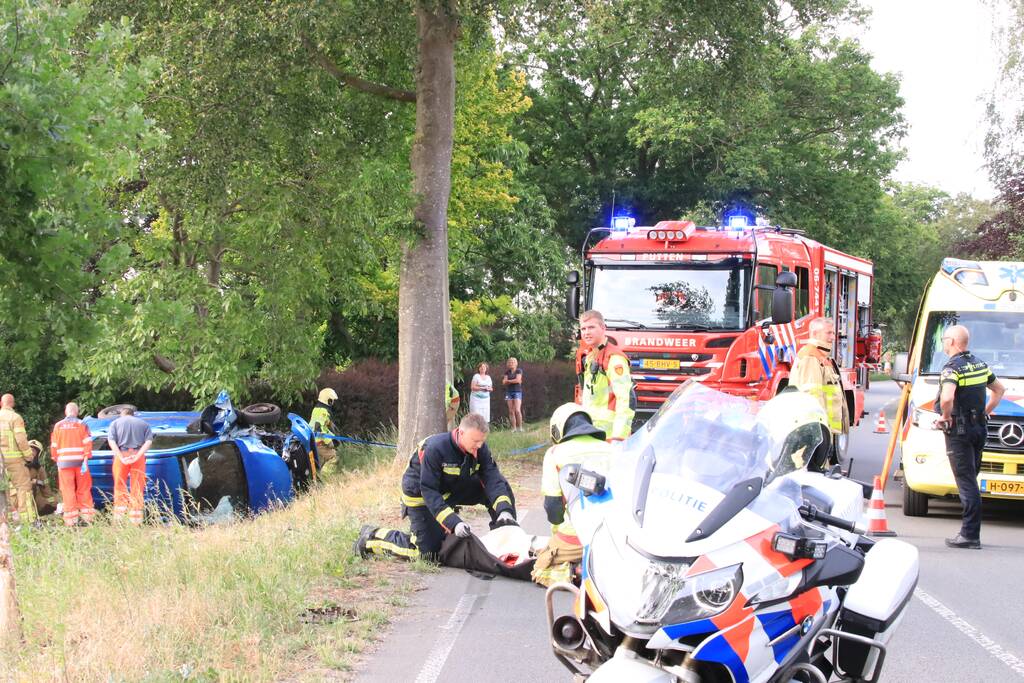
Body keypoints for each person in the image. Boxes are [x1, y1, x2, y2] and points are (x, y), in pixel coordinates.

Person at [353, 413, 517, 563]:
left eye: (482, 441)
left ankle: (504, 540)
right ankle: (371, 537)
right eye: (475, 441)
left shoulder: (479, 448)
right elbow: (429, 491)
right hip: (421, 495)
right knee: (427, 554)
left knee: (502, 487)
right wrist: (454, 523)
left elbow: (492, 478)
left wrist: (504, 510)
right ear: (461, 432)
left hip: (451, 488)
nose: (479, 446)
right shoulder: (436, 448)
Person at [934, 324, 1005, 549]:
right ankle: (970, 532)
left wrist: (945, 417)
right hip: (979, 429)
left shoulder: (951, 369)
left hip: (960, 431)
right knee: (971, 478)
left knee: (966, 482)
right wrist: (985, 412)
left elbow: (946, 398)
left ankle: (970, 535)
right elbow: (999, 390)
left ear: (953, 342)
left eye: (945, 338)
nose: (944, 342)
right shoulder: (980, 364)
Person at [532, 403, 613, 587]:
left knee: (541, 566)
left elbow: (553, 508)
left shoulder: (554, 454)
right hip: (613, 534)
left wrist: (556, 537)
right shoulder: (612, 449)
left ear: (557, 430)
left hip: (576, 535)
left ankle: (576, 571)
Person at [791, 317, 850, 464]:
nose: (832, 337)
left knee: (819, 473)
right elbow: (812, 397)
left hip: (821, 431)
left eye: (833, 333)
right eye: (828, 333)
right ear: (815, 333)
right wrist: (819, 434)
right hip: (812, 432)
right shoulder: (811, 357)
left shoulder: (822, 357)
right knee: (809, 475)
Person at [579, 310, 635, 441]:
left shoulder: (614, 359)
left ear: (603, 328)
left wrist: (619, 437)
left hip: (610, 437)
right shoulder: (591, 356)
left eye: (591, 327)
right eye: (583, 328)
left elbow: (625, 400)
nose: (586, 332)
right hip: (592, 431)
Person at [50, 402, 96, 526]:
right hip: (81, 463)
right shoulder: (82, 424)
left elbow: (54, 446)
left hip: (64, 464)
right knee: (84, 489)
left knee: (67, 490)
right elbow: (88, 443)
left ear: (66, 412)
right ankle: (87, 518)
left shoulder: (58, 426)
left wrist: (57, 460)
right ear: (77, 412)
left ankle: (71, 521)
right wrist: (86, 459)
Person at [107, 406, 154, 525]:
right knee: (137, 485)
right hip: (138, 456)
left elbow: (111, 441)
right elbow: (149, 441)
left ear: (122, 414)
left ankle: (119, 519)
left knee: (119, 484)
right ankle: (136, 520)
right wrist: (138, 455)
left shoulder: (115, 423)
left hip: (121, 454)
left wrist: (121, 457)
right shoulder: (143, 424)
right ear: (133, 414)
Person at [0, 393, 38, 527]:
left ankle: (6, 521)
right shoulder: (15, 418)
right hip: (14, 460)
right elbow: (21, 440)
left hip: (0, 460)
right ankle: (27, 521)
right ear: (13, 403)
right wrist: (28, 456)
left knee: (3, 490)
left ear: (1, 403)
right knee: (23, 488)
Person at [26, 440, 58, 517]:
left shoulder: (39, 469)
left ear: (37, 454)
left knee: (50, 504)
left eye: (34, 451)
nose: (31, 452)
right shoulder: (19, 466)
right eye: (29, 450)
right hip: (21, 495)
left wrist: (37, 482)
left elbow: (46, 487)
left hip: (35, 494)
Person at [310, 388, 339, 468]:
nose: (333, 402)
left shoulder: (317, 409)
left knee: (321, 462)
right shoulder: (323, 411)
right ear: (328, 400)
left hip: (314, 440)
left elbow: (323, 427)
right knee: (333, 457)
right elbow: (318, 428)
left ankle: (320, 477)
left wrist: (333, 436)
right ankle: (326, 478)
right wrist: (329, 441)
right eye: (332, 400)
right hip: (318, 443)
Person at [502, 357, 524, 431]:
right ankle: (513, 428)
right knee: (511, 411)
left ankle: (520, 427)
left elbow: (518, 380)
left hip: (517, 392)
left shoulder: (519, 370)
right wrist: (513, 381)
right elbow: (504, 382)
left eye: (513, 362)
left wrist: (508, 381)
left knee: (517, 410)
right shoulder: (507, 372)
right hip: (509, 392)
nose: (511, 363)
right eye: (510, 362)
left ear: (516, 363)